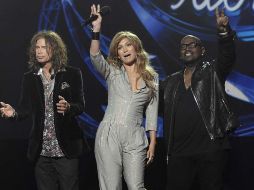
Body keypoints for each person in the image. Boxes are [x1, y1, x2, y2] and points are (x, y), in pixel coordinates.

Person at [160, 8, 238, 190]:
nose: (186, 47)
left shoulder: (213, 71)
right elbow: (156, 107)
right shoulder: (170, 81)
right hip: (179, 152)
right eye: (183, 45)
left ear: (202, 50)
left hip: (210, 150)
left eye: (192, 44)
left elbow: (228, 55)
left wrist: (223, 32)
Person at [0, 31, 88, 190]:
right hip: (41, 152)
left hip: (66, 150)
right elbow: (24, 109)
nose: (39, 51)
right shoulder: (30, 77)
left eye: (44, 47)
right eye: (37, 47)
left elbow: (80, 105)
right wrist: (14, 113)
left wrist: (69, 107)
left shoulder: (72, 74)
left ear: (55, 49)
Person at [89, 4, 158, 190]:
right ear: (117, 54)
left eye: (128, 45)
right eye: (120, 47)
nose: (125, 49)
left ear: (137, 48)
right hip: (109, 134)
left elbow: (152, 112)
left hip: (136, 136)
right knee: (111, 187)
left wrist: (153, 142)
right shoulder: (112, 71)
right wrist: (96, 31)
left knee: (137, 186)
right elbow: (95, 55)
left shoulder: (152, 77)